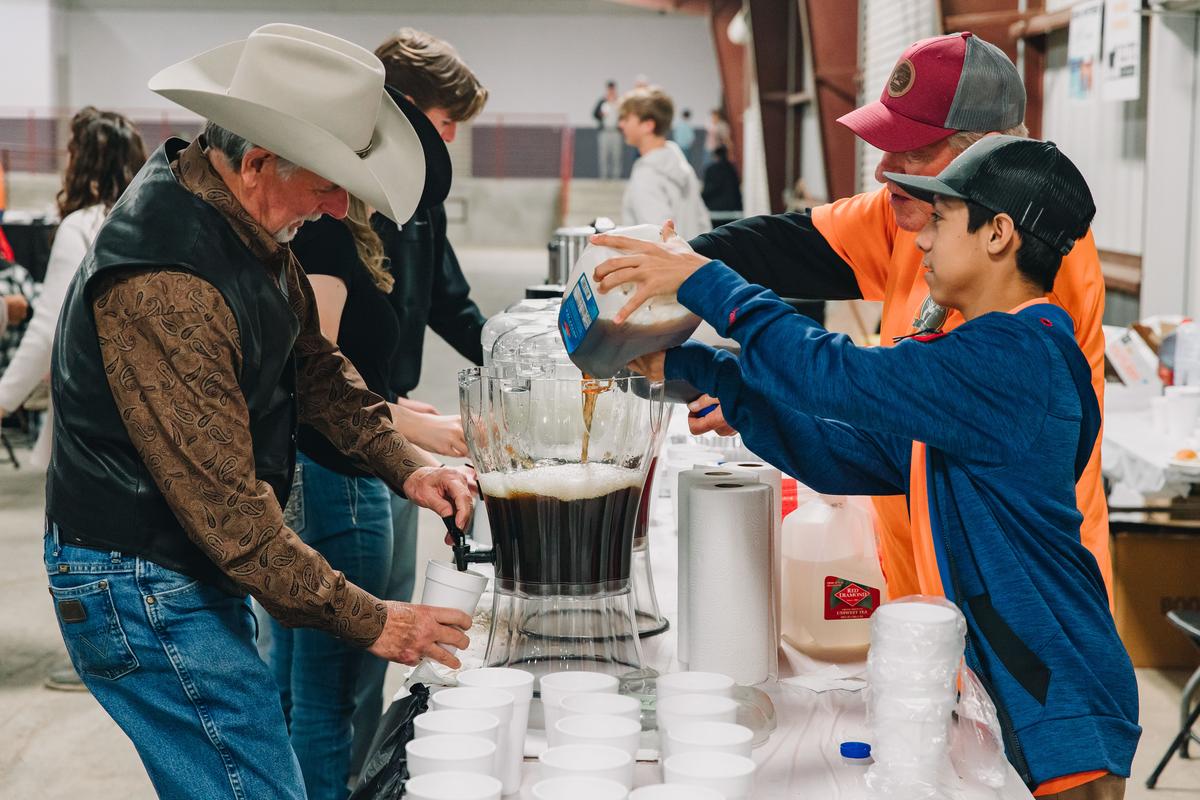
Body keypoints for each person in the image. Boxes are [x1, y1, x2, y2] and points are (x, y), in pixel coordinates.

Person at [604, 136, 1140, 799]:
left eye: (940, 220)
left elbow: (834, 375)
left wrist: (704, 279)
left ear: (999, 234)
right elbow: (842, 455)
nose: (919, 242)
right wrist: (705, 373)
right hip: (1026, 685)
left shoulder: (1016, 358)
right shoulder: (987, 358)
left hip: (1060, 697)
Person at [44, 25, 476, 799]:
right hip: (136, 578)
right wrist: (378, 620)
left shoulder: (247, 228)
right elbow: (233, 519)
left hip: (179, 562)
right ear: (255, 163)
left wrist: (405, 466)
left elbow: (311, 367)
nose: (339, 206)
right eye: (327, 183)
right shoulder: (168, 282)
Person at [682, 32, 1113, 609]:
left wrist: (704, 289)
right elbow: (789, 245)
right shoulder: (926, 220)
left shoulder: (1032, 290)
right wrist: (676, 262)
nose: (886, 172)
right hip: (929, 585)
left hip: (1021, 612)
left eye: (913, 152)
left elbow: (845, 381)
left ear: (987, 159)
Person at [347, 28, 490, 776]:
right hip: (342, 448)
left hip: (386, 431)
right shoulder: (342, 206)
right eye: (441, 126)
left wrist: (530, 359)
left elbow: (452, 304)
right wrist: (410, 425)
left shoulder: (421, 200)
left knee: (360, 674)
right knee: (333, 682)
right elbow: (316, 368)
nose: (448, 148)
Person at [0, 107, 145, 691]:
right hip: (141, 412)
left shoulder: (81, 225)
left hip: (92, 417)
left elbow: (46, 330)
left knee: (83, 538)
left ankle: (106, 660)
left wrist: (4, 396)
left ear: (80, 160)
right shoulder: (141, 219)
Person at [618, 86, 711, 239]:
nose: (621, 125)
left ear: (648, 125)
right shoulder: (683, 167)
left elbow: (657, 238)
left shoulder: (647, 175)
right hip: (692, 258)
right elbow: (703, 222)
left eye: (626, 119)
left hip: (666, 262)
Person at [594, 80, 623, 180]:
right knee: (604, 155)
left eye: (612, 89)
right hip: (604, 131)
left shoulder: (619, 101)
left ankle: (616, 177)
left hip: (616, 132)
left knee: (616, 155)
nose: (611, 91)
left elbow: (624, 115)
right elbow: (595, 114)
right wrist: (601, 115)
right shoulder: (602, 101)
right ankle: (604, 177)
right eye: (609, 89)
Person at [701, 144, 742, 213]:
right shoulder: (732, 169)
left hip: (715, 211)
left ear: (715, 156)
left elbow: (707, 191)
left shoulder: (711, 169)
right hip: (733, 210)